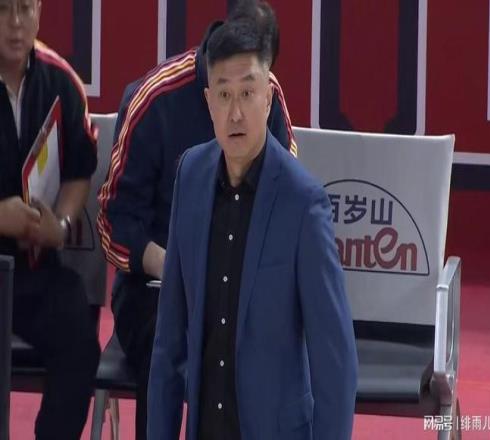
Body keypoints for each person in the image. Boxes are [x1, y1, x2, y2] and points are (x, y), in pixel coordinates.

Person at [147, 10, 358, 440]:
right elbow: (169, 340)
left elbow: (335, 363)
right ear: (208, 102)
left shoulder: (303, 202)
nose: (236, 113)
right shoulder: (191, 175)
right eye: (224, 95)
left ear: (269, 96)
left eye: (248, 92)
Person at [97, 1, 296, 438]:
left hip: (243, 286)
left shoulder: (269, 96)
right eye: (227, 91)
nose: (240, 108)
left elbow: (287, 208)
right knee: (165, 342)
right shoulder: (154, 99)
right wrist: (172, 266)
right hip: (155, 288)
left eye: (255, 81)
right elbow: (113, 223)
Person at [0, 0, 100, 438]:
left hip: (36, 268)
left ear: (39, 11)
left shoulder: (62, 81)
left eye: (25, 8)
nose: (15, 23)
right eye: (3, 10)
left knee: (79, 340)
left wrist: (58, 226)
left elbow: (79, 172)